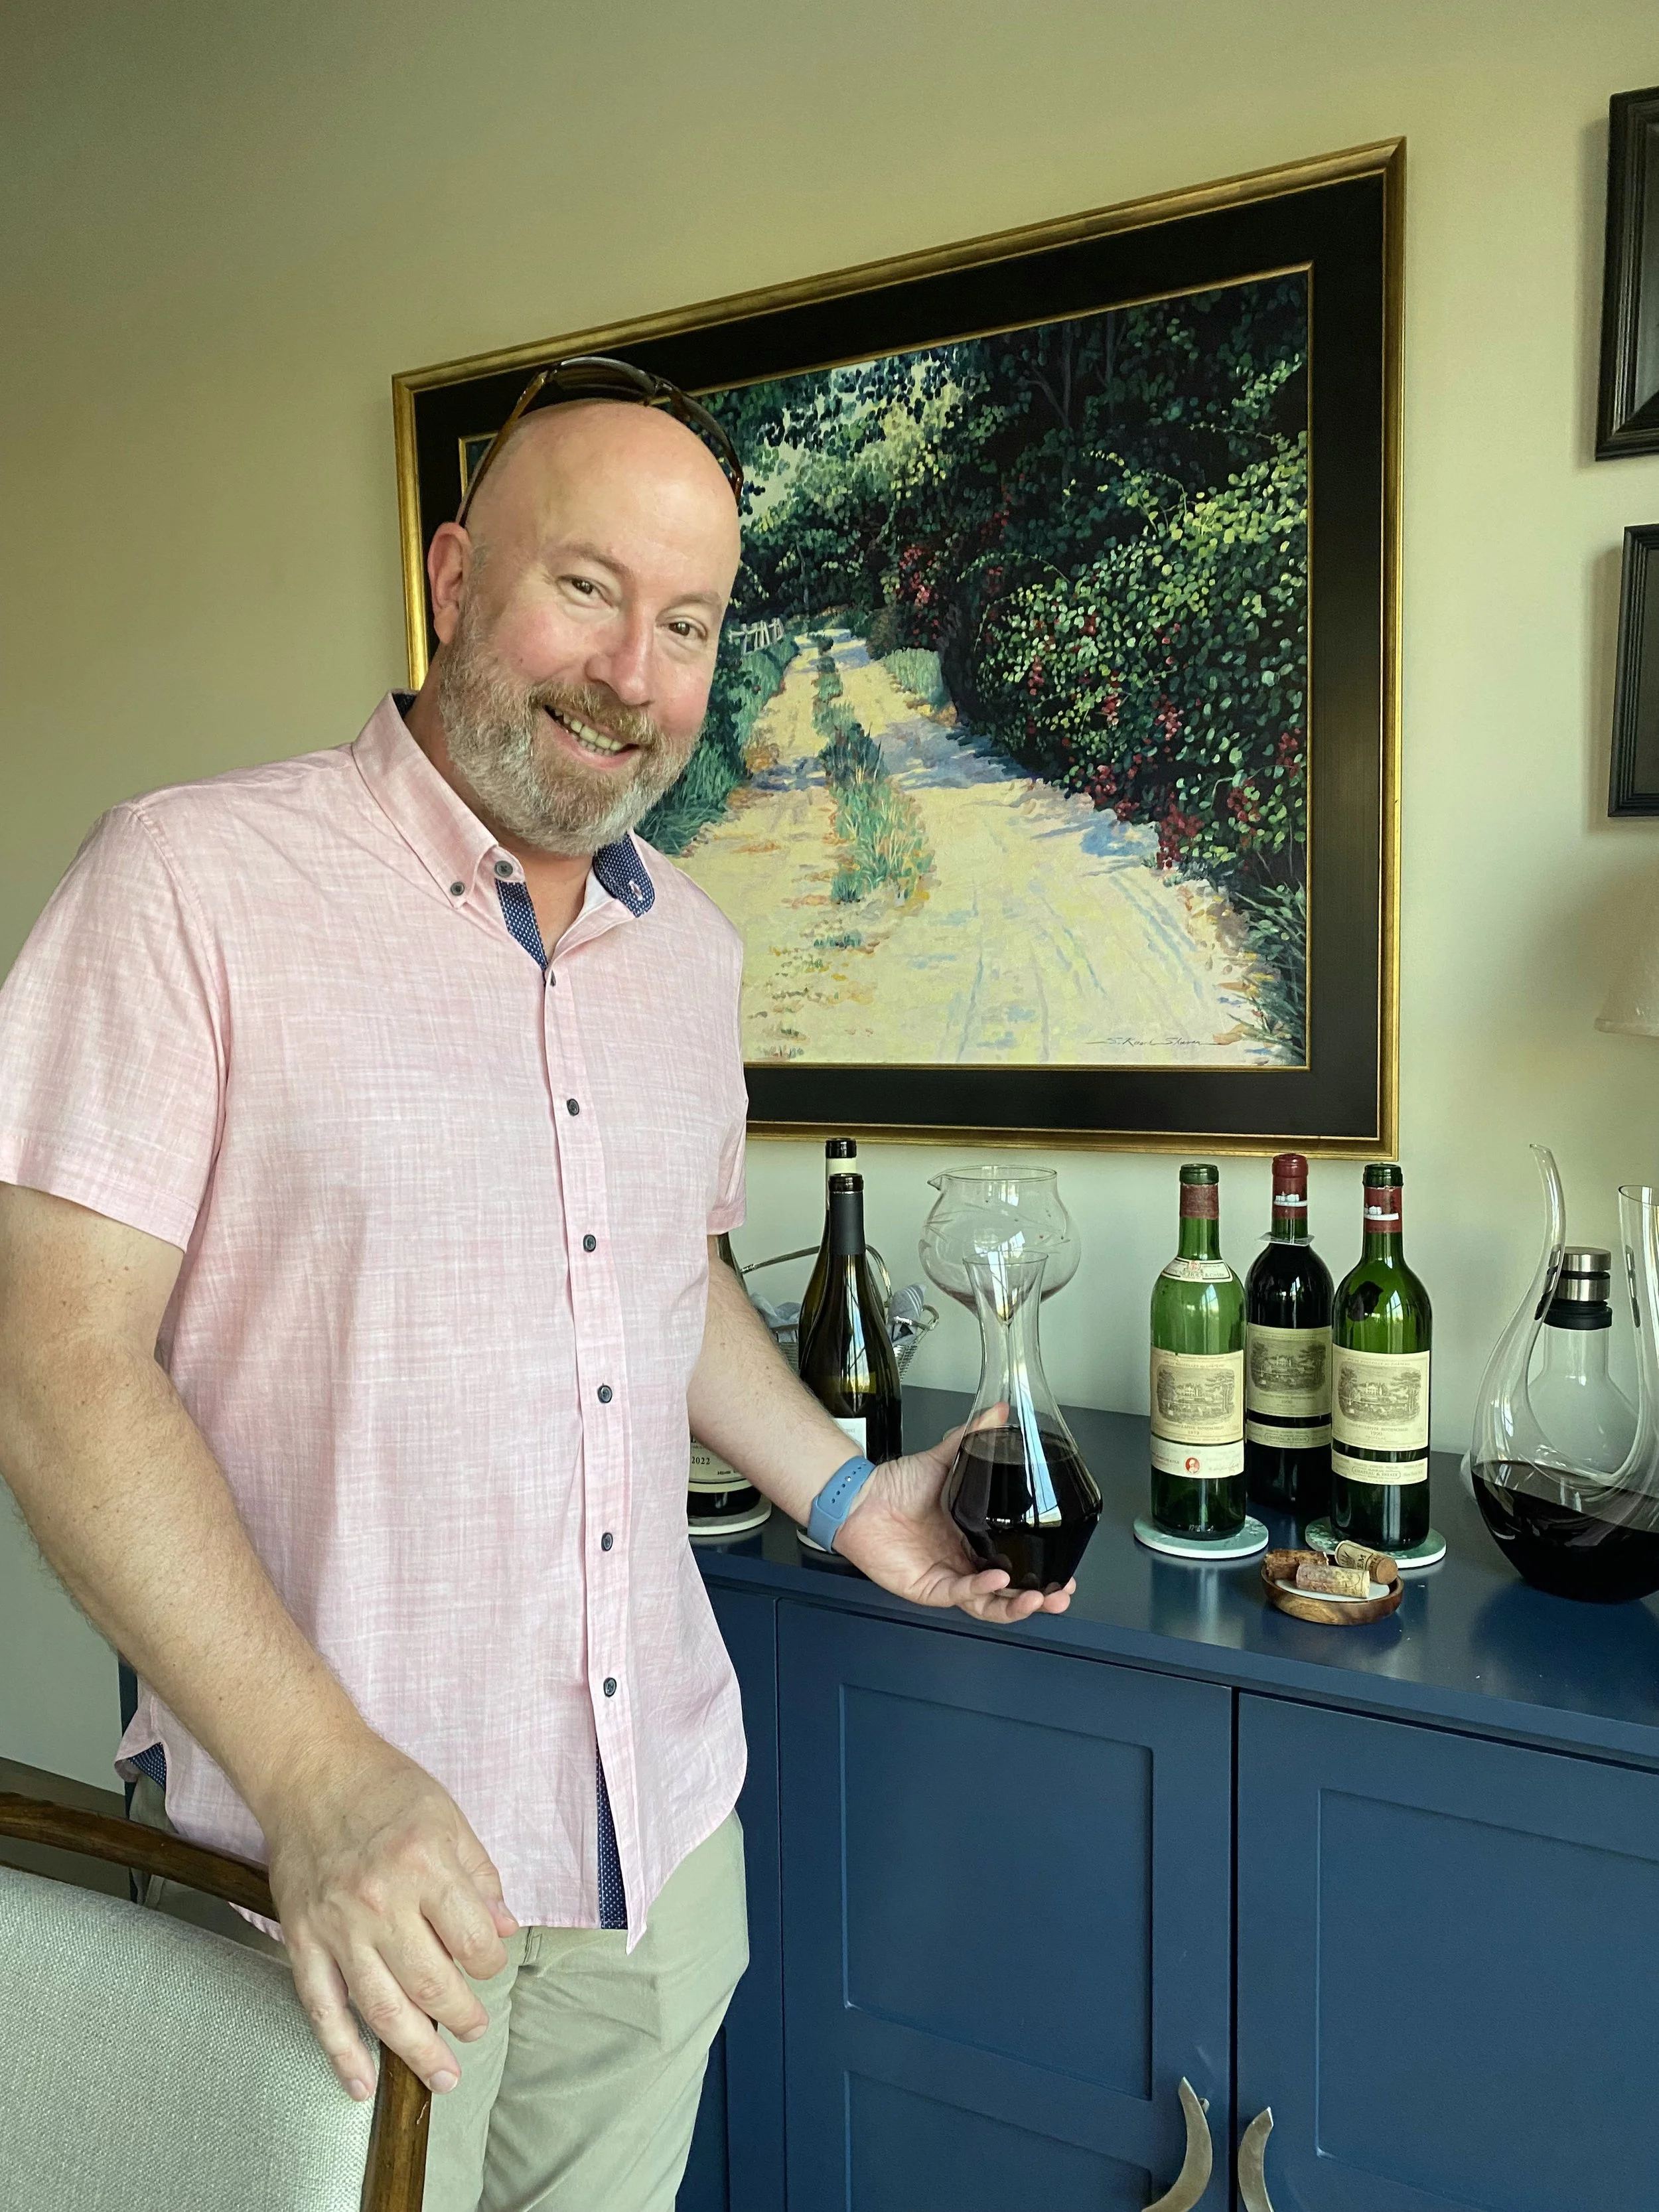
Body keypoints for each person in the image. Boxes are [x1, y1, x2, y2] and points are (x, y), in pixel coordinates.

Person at [0, 366, 1074, 2211]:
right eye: (584, 588)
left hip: (655, 1858)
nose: (630, 676)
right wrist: (317, 1773)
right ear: (448, 573)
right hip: (337, 1893)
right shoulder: (186, 881)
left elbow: (662, 1280)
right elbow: (51, 1360)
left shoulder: (691, 952)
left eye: (685, 625)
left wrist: (847, 1494)